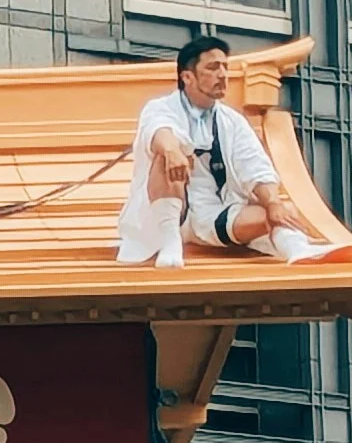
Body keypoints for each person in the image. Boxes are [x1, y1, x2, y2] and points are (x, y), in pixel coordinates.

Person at [117, 30, 337, 266]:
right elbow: (159, 130)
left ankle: (298, 250)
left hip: (214, 212)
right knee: (166, 155)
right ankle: (170, 241)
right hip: (169, 213)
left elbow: (255, 165)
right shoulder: (161, 107)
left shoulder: (232, 121)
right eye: (212, 68)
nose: (222, 75)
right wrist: (172, 151)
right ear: (187, 77)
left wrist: (273, 203)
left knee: (274, 212)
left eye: (224, 67)